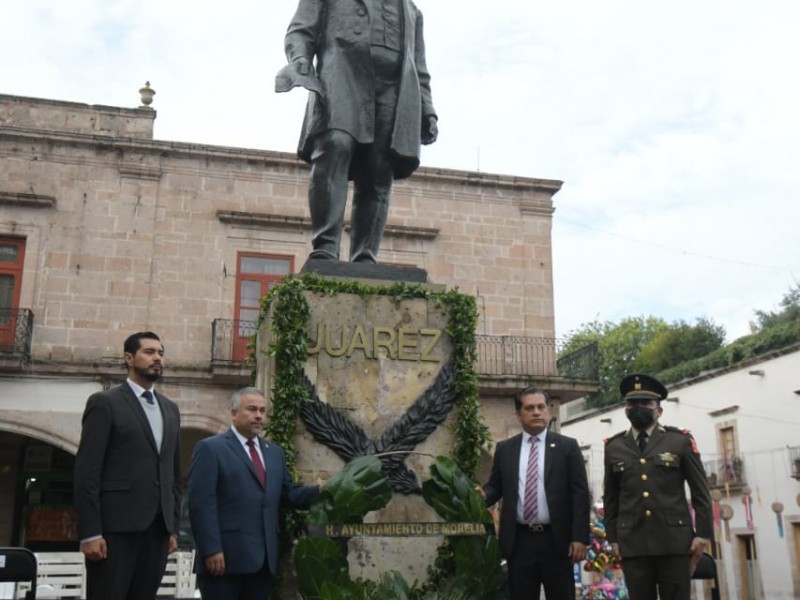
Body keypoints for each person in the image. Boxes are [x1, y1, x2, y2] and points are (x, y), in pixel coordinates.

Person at [280, 0, 438, 263]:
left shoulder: (412, 11)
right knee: (334, 144)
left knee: (379, 168)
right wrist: (299, 58)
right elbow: (300, 30)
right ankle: (326, 246)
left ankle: (365, 254)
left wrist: (427, 108)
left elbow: (419, 67)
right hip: (341, 72)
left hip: (394, 88)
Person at [74, 331, 182, 600]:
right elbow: (87, 472)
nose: (157, 358)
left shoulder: (171, 409)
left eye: (161, 353)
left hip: (158, 530)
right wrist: (90, 532)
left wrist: (171, 527)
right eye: (149, 352)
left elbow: (173, 473)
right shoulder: (105, 403)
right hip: (114, 531)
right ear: (129, 358)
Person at [187, 387, 320, 600]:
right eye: (252, 409)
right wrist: (211, 549)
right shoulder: (211, 449)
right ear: (234, 413)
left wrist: (322, 492)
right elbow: (200, 503)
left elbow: (288, 494)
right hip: (223, 563)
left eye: (263, 410)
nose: (259, 415)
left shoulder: (274, 452)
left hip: (262, 564)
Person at [603, 373, 713, 600]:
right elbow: (611, 498)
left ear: (659, 410)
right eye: (632, 403)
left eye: (646, 403)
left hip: (674, 542)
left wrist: (701, 536)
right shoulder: (614, 447)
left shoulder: (679, 441)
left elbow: (701, 493)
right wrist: (613, 538)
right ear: (625, 409)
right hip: (632, 543)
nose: (638, 408)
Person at [480, 386, 591, 600]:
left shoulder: (566, 447)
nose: (537, 412)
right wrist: (483, 495)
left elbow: (580, 494)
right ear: (518, 414)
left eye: (541, 407)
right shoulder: (505, 449)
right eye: (529, 408)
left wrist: (579, 537)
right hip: (519, 542)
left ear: (548, 411)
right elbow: (496, 486)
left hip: (557, 541)